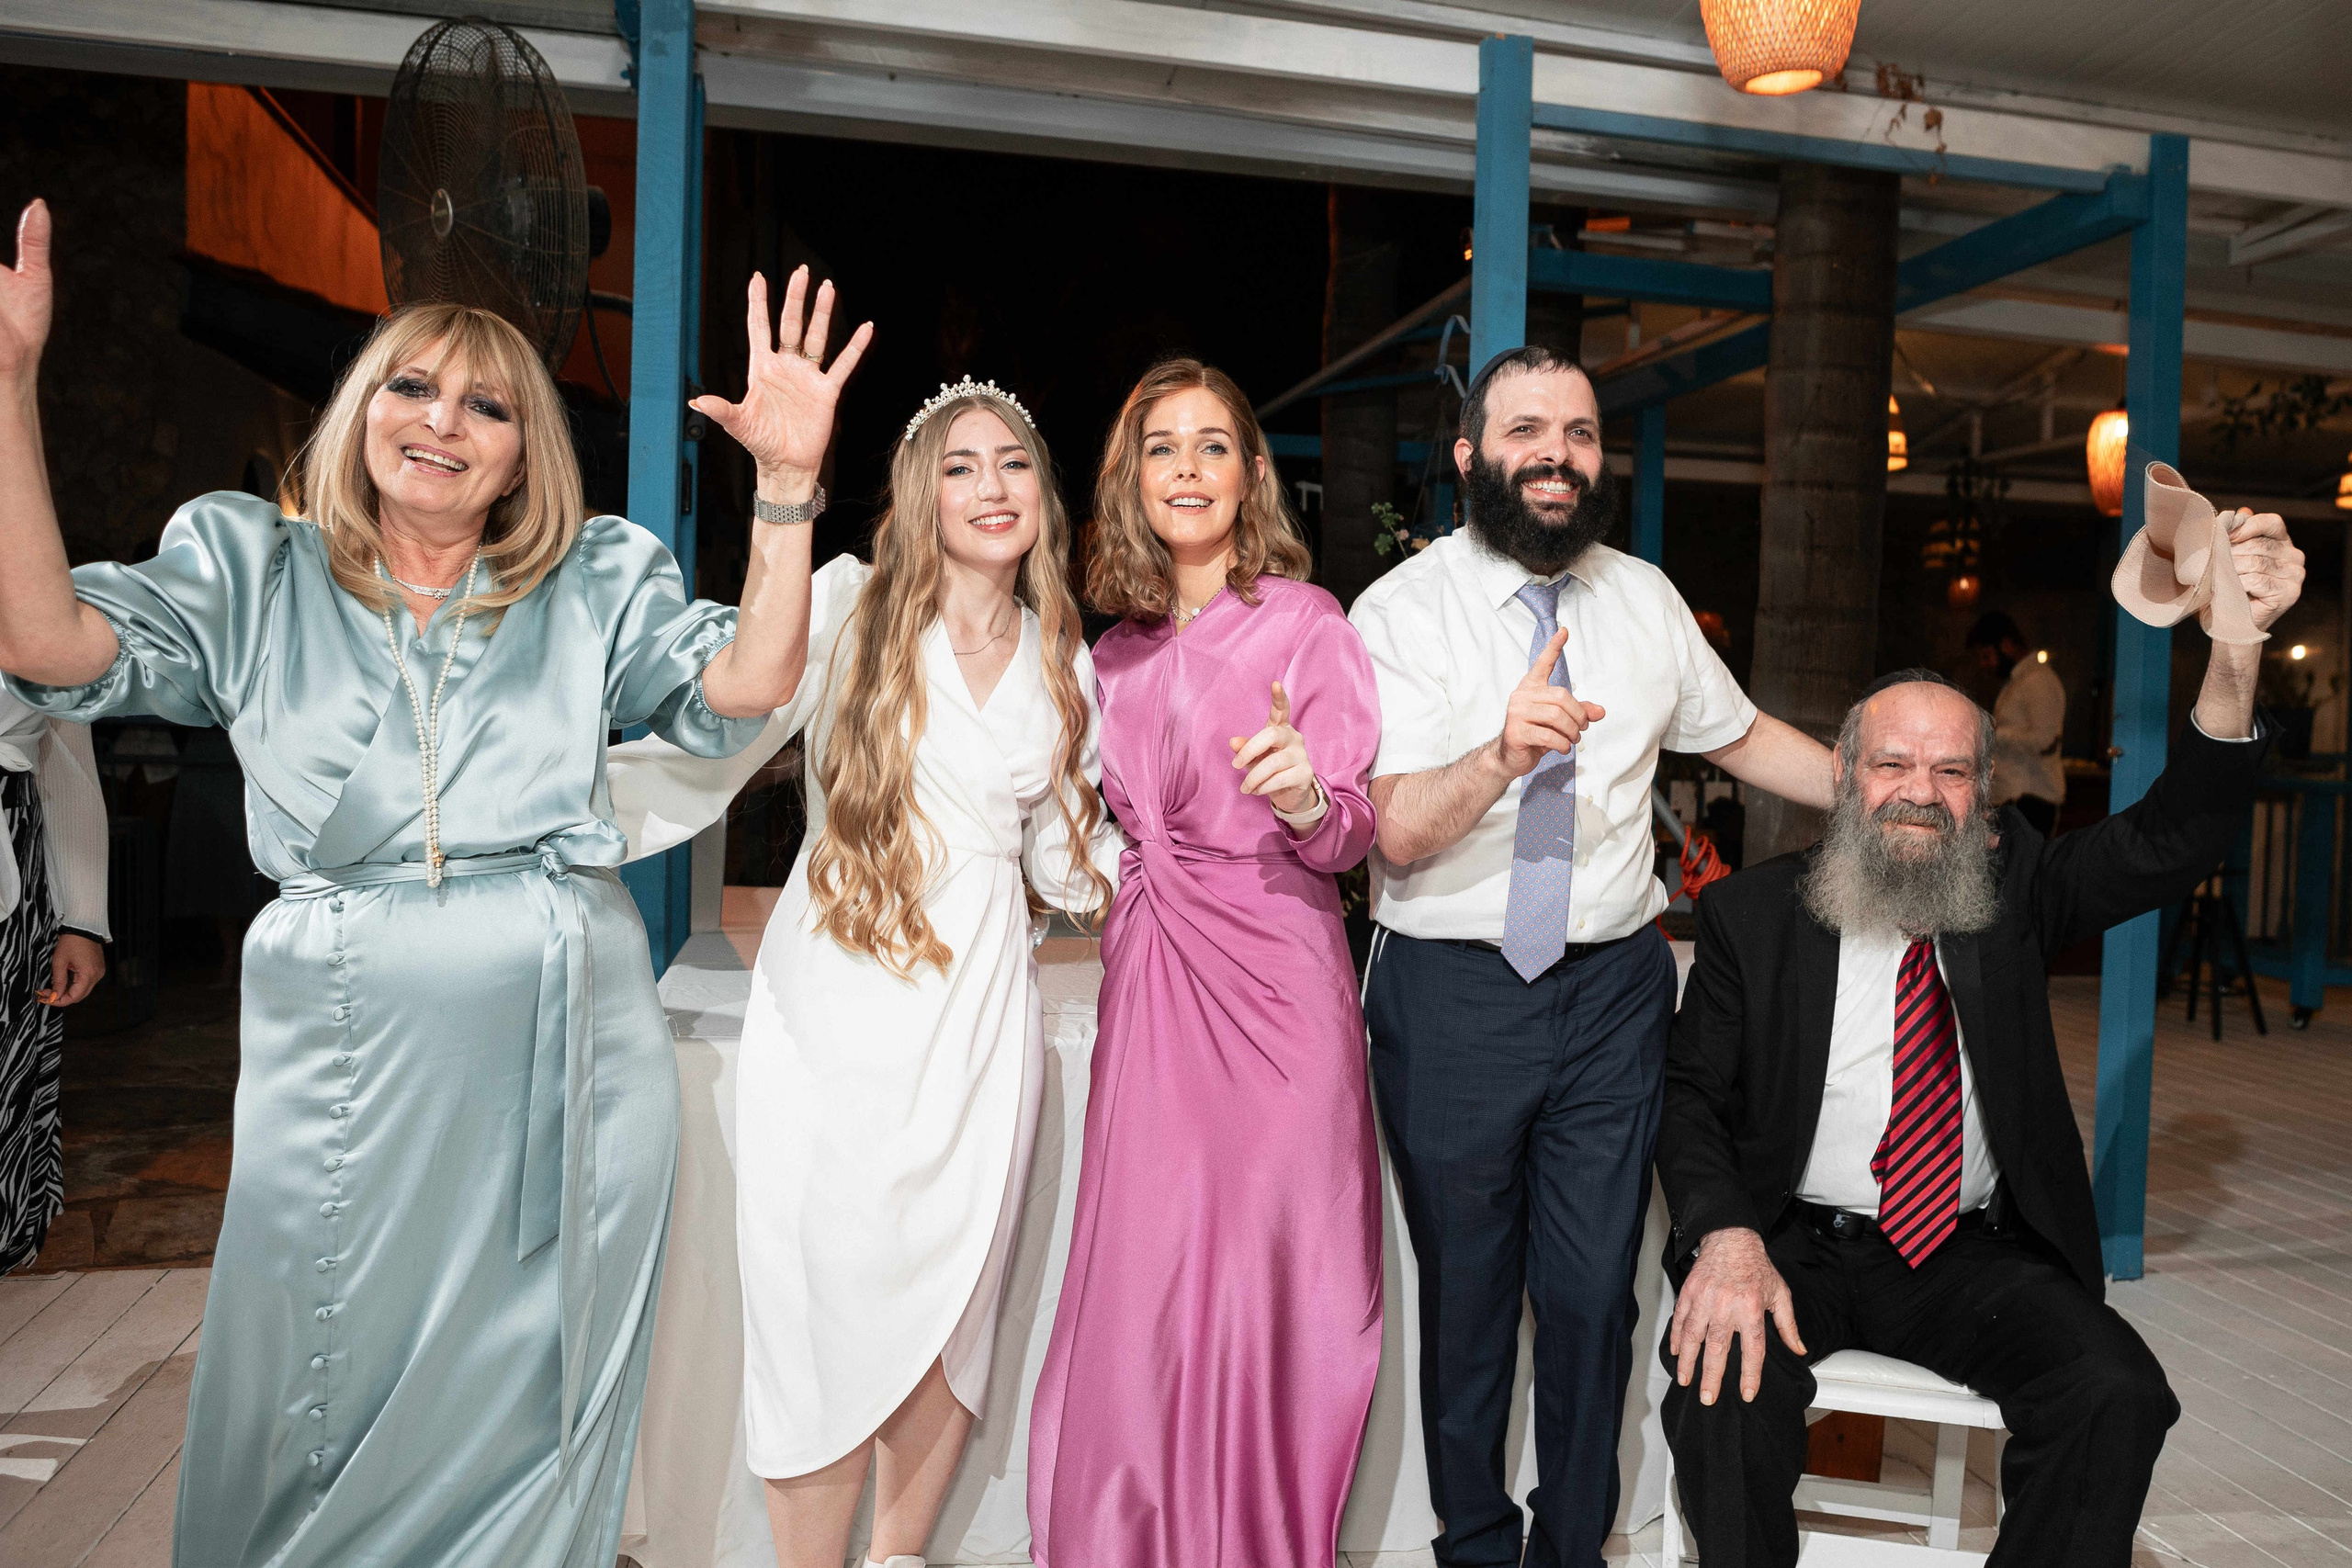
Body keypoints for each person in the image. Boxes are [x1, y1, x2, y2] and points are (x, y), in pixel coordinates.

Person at [0, 189, 860, 1565]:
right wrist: (8, 385)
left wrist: (786, 489)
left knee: (536, 1388)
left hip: (569, 1045)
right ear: (362, 410)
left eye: (488, 405)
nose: (442, 420)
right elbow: (49, 644)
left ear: (525, 455)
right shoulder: (252, 568)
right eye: (412, 385)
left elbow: (748, 684)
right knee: (315, 1367)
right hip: (338, 1038)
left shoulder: (592, 581)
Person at [1655, 507, 2300, 1568]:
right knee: (1721, 1393)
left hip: (1965, 1250)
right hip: (1793, 1241)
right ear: (1845, 777)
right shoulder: (1753, 918)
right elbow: (1689, 1097)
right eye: (1893, 765)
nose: (1919, 793)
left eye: (1950, 772)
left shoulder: (2018, 890)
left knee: (2117, 1393)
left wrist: (2236, 645)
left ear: (1982, 794)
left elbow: (2173, 835)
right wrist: (1724, 1238)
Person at [605, 377, 1119, 1568]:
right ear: (919, 489)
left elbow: (1071, 861)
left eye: (1013, 464)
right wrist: (560, 804)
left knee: (956, 1304)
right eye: (961, 465)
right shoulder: (846, 603)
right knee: (818, 1302)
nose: (993, 488)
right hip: (838, 992)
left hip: (983, 1011)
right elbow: (725, 725)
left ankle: (898, 1553)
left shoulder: (1062, 658)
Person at [1347, 344, 1836, 1568]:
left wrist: (1889, 795)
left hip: (1615, 988)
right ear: (1471, 455)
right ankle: (1473, 1542)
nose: (1556, 453)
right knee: (1466, 1296)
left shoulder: (1648, 600)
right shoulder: (1397, 612)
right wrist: (1501, 755)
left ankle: (1573, 1546)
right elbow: (1394, 828)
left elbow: (1746, 735)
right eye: (1526, 429)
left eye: (1578, 430)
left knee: (1588, 1296)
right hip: (1450, 985)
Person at [1027, 359, 1384, 1568]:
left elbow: (1349, 829)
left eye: (1213, 444)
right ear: (1130, 478)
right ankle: (1136, 1534)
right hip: (1154, 976)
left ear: (1249, 474)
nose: (1187, 467)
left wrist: (1301, 795)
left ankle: (1265, 1539)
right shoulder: (1108, 652)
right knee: (1152, 1268)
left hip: (1282, 981)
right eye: (1161, 446)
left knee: (1288, 1272)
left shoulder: (1307, 621)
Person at [0, 689, 107, 1273]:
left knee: (5, 1072)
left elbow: (66, 756)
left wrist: (82, 921)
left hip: (13, 863)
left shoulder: (32, 605)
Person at [1965, 611, 2066, 837]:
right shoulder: (2018, 681)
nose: (1984, 664)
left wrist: (1994, 732)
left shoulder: (2039, 680)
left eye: (1987, 655)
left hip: (2031, 799)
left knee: (2022, 870)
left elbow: (2045, 741)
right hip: (2015, 799)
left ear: (2007, 645)